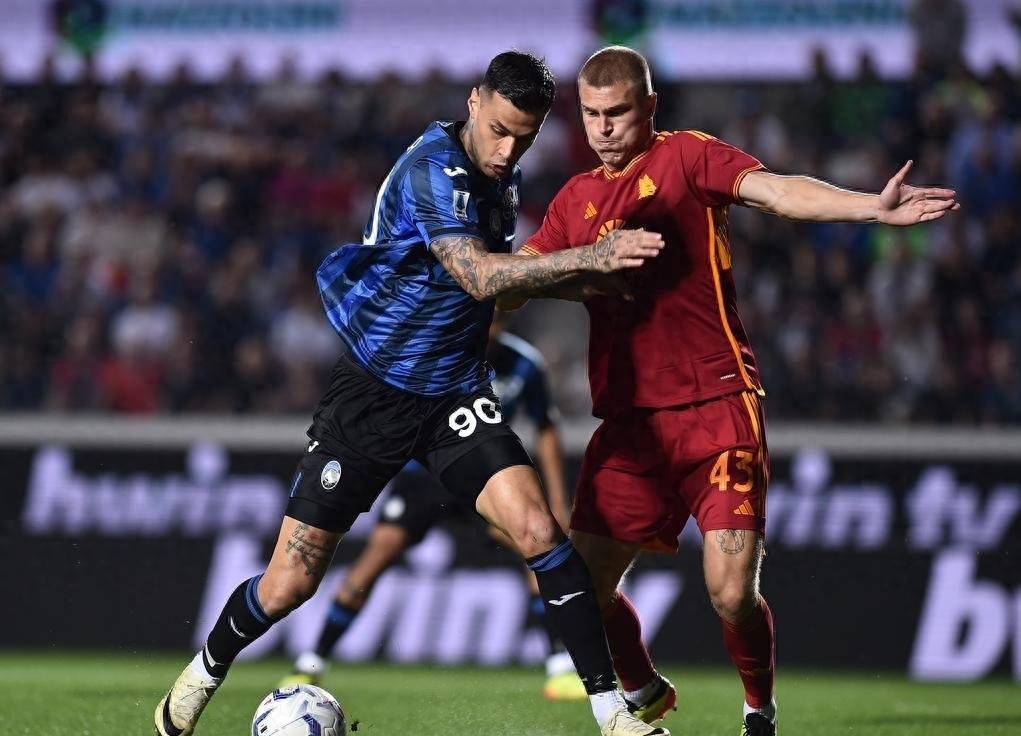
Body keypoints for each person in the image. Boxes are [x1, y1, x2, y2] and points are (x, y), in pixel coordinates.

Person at [154, 50, 668, 736]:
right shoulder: (434, 169)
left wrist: (596, 283)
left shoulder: (497, 180)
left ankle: (612, 715)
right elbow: (480, 278)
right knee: (289, 584)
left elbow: (504, 285)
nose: (507, 151)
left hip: (453, 394)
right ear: (474, 101)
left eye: (523, 139)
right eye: (499, 131)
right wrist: (592, 259)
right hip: (374, 393)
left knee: (541, 532)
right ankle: (202, 673)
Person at [514, 46, 959, 736]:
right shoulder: (575, 201)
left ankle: (758, 710)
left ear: (649, 107)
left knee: (729, 595)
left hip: (716, 407)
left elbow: (777, 191)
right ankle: (642, 686)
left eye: (617, 112)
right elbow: (515, 279)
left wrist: (870, 207)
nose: (602, 127)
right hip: (629, 426)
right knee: (580, 588)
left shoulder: (687, 157)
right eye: (591, 114)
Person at [279, 315, 588, 701]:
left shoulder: (524, 364)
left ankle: (559, 665)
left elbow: (546, 427)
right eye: (487, 320)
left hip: (479, 476)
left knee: (535, 549)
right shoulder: (440, 348)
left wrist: (557, 501)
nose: (490, 329)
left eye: (497, 321)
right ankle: (312, 661)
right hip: (422, 476)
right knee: (375, 559)